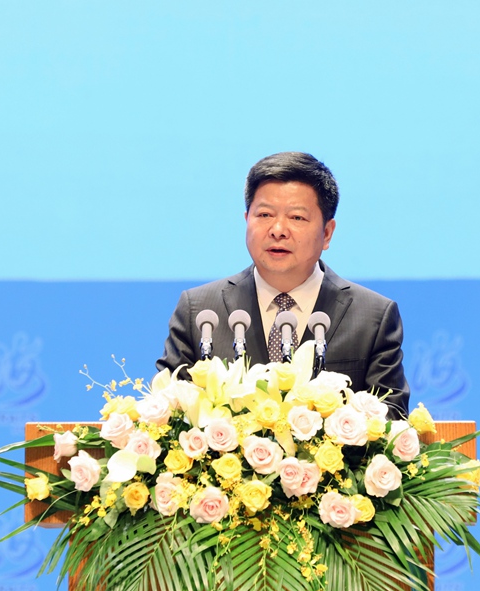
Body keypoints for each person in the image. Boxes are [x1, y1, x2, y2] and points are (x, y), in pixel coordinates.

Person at [156, 152, 409, 418]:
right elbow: (167, 413)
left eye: (297, 217)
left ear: (326, 233)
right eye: (264, 214)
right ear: (246, 220)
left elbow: (391, 417)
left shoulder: (372, 317)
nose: (278, 229)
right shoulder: (199, 311)